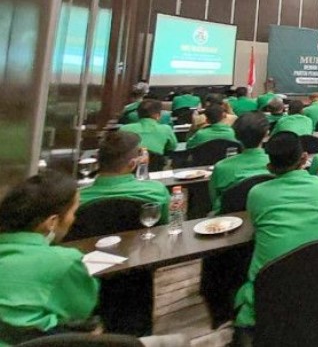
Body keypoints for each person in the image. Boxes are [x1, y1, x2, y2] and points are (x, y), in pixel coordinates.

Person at [0, 172, 187, 346]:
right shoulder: (64, 261)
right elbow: (81, 310)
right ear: (52, 222)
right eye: (74, 212)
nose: (74, 218)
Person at [233, 133, 318, 337]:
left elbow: (257, 224)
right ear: (305, 159)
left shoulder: (257, 193)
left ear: (269, 167)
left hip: (267, 295)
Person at [79, 131, 171, 222]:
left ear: (97, 161)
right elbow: (165, 225)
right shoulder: (156, 191)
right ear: (133, 164)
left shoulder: (77, 200)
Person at [208, 112, 272, 214]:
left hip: (228, 220)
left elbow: (213, 200)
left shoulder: (221, 167)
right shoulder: (277, 164)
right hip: (268, 214)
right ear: (266, 135)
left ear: (236, 135)